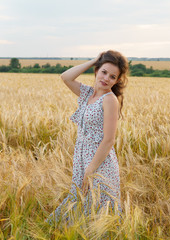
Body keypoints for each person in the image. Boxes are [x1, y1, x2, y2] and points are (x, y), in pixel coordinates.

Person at [47, 50, 128, 223]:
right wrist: (94, 60)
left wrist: (91, 169)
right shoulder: (87, 94)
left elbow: (108, 140)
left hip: (99, 162)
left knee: (99, 208)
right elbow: (66, 77)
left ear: (117, 80)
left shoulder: (109, 100)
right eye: (104, 72)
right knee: (81, 201)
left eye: (112, 76)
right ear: (96, 70)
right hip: (82, 156)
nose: (106, 78)